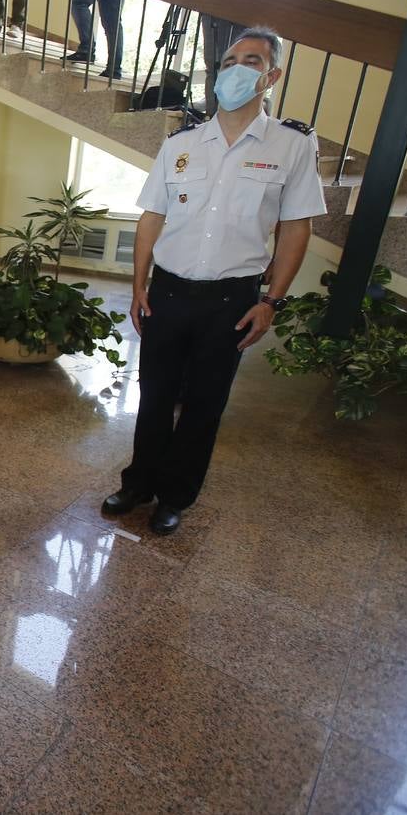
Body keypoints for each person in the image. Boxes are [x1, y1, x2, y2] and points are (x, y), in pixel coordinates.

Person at [103, 27, 322, 534]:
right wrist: (139, 285)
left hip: (231, 300)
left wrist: (272, 301)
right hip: (170, 292)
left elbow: (297, 227)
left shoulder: (291, 145)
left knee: (204, 404)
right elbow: (152, 216)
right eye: (229, 61)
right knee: (154, 395)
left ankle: (176, 496)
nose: (237, 69)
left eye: (252, 60)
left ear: (272, 75)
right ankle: (138, 483)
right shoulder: (181, 142)